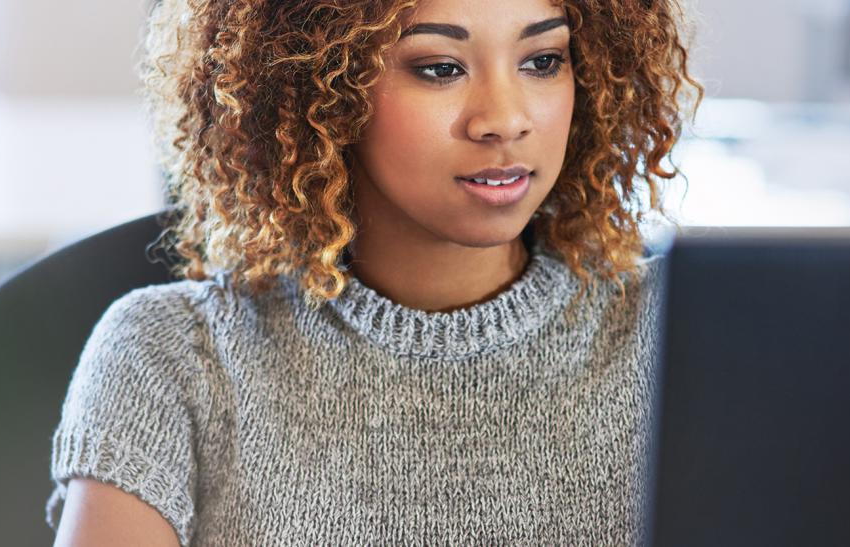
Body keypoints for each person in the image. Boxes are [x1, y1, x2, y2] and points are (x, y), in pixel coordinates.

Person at [45, 0, 699, 544]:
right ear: (315, 83)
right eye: (440, 68)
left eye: (543, 61)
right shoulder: (172, 359)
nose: (505, 118)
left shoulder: (686, 344)